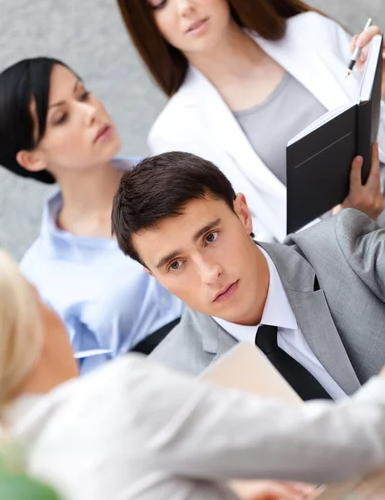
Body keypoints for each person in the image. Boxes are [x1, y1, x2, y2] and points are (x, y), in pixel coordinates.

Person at [0, 246, 385, 500]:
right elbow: (346, 443)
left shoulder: (2, 499)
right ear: (29, 331)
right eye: (40, 300)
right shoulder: (119, 398)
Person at [113, 0, 385, 241]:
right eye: (159, 3)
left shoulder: (312, 32)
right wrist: (351, 221)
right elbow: (251, 247)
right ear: (146, 21)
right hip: (349, 263)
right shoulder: (174, 134)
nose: (185, 7)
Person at [112, 148, 385, 399]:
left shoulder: (344, 247)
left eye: (211, 237)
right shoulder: (170, 383)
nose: (210, 274)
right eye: (175, 265)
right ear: (155, 277)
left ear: (243, 214)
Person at [0, 58, 183, 372]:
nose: (91, 113)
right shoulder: (40, 278)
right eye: (62, 117)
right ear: (32, 158)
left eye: (83, 94)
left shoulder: (181, 168)